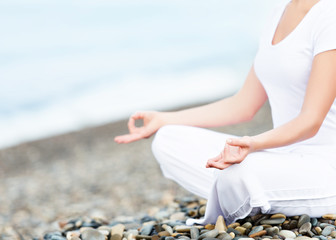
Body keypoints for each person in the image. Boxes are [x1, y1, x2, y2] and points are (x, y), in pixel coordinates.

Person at [115, 0, 336, 225]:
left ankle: (245, 193)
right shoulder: (279, 12)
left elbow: (311, 120)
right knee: (168, 139)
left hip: (325, 167)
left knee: (237, 172)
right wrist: (164, 119)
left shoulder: (330, 15)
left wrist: (253, 144)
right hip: (278, 157)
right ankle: (248, 194)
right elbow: (242, 104)